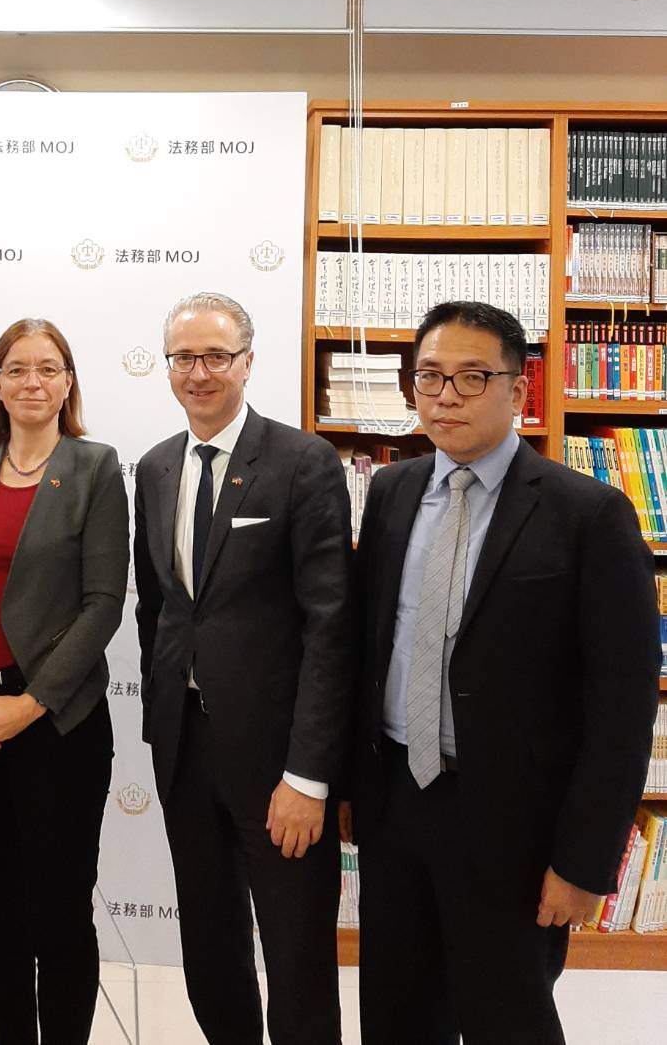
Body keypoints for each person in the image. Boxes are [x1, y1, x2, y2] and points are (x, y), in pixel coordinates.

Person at [348, 300, 661, 1045]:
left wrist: (584, 858)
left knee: (506, 1018)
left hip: (513, 824)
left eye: (470, 376)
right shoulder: (392, 492)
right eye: (429, 376)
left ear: (517, 391)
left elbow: (622, 703)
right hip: (398, 799)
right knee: (395, 1014)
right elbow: (369, 648)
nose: (445, 395)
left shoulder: (589, 513)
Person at [134, 291, 353, 1045]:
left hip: (278, 765)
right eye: (184, 357)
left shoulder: (302, 463)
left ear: (248, 361)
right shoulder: (157, 467)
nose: (199, 372)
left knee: (294, 956)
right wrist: (157, 720)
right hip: (185, 748)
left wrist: (309, 774)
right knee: (209, 942)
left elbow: (332, 625)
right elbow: (159, 607)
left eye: (215, 356)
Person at [0, 317, 129, 1045]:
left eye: (48, 368)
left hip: (58, 723)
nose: (32, 381)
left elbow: (104, 602)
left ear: (68, 380)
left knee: (60, 908)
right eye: (16, 368)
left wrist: (32, 703)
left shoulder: (96, 466)